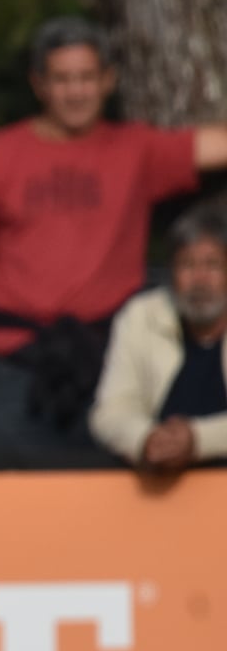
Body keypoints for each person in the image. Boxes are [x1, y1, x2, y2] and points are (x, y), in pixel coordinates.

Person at [0, 15, 227, 452]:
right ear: (39, 85)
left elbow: (213, 145)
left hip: (105, 361)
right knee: (8, 491)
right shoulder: (0, 154)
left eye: (87, 78)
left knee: (106, 491)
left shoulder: (134, 150)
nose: (76, 91)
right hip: (14, 358)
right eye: (63, 79)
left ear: (108, 80)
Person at [89, 203, 227, 474]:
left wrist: (196, 440)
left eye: (212, 265)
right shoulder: (140, 317)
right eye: (187, 265)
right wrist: (145, 440)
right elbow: (110, 411)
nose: (200, 279)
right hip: (157, 487)